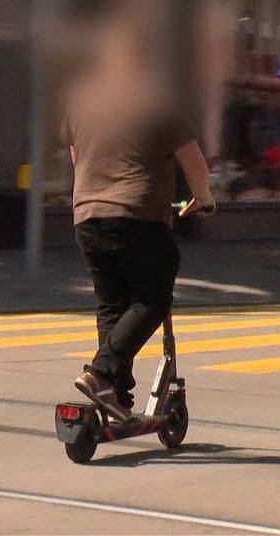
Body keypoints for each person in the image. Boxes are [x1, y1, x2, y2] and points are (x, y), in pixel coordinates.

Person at [63, 21, 215, 421]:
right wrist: (204, 198)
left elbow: (77, 156)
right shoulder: (156, 100)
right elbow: (193, 160)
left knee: (112, 303)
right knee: (152, 296)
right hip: (137, 216)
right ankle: (100, 374)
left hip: (87, 216)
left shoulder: (81, 97)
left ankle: (115, 392)